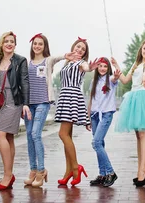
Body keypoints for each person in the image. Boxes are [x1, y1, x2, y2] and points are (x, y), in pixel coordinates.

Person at [0, 32, 32, 191]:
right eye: (6, 41)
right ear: (1, 44)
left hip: (13, 101)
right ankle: (7, 175)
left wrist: (25, 103)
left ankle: (7, 176)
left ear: (15, 44)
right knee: (8, 137)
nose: (9, 44)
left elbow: (25, 82)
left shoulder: (20, 60)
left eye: (12, 41)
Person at [115, 39, 145, 187]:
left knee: (143, 134)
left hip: (144, 97)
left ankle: (143, 171)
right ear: (141, 49)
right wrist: (117, 68)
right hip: (133, 97)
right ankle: (142, 170)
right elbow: (126, 80)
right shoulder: (136, 64)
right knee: (138, 136)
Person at [24, 33, 64, 187]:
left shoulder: (48, 61)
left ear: (44, 46)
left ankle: (41, 170)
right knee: (28, 135)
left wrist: (66, 55)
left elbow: (56, 58)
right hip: (29, 104)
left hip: (43, 102)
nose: (37, 46)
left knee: (35, 134)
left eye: (40, 44)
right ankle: (33, 170)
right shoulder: (27, 63)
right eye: (35, 43)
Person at [54, 37, 93, 186]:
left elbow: (86, 68)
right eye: (78, 47)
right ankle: (68, 171)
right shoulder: (68, 62)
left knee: (62, 134)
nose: (79, 50)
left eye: (83, 49)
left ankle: (76, 167)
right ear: (73, 47)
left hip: (72, 96)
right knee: (67, 136)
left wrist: (90, 67)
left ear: (84, 54)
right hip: (64, 95)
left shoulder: (81, 63)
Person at [86, 57, 121, 187]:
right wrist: (87, 118)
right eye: (100, 66)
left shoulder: (110, 80)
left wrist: (116, 76)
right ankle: (102, 175)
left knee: (95, 143)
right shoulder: (93, 82)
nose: (102, 68)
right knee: (99, 143)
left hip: (106, 115)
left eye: (105, 66)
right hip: (94, 116)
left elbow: (115, 79)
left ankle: (111, 172)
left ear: (108, 68)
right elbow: (91, 100)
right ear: (97, 68)